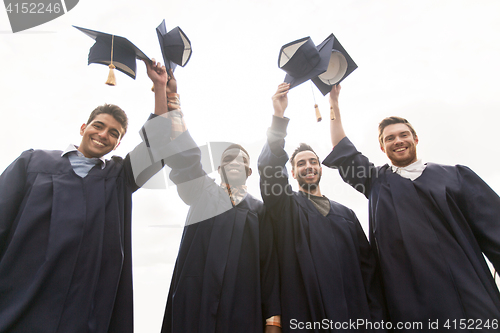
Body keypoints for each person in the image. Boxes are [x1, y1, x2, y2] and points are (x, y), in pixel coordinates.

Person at [0, 59, 176, 333]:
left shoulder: (118, 177)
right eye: (98, 126)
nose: (103, 134)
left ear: (118, 144)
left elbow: (157, 146)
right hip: (23, 293)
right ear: (84, 128)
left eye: (113, 134)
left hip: (84, 305)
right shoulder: (34, 162)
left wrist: (160, 87)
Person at [323, 84, 500, 331]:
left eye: (403, 134)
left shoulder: (455, 177)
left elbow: (495, 229)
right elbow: (342, 150)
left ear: (415, 139)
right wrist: (334, 103)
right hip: (409, 303)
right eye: (390, 138)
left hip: (466, 292)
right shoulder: (375, 182)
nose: (398, 141)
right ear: (383, 148)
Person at [258, 82, 386, 333]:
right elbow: (271, 173)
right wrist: (278, 118)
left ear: (320, 168)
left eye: (313, 161)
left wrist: (376, 321)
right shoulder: (285, 207)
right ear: (292, 172)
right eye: (301, 163)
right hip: (306, 316)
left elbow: (368, 272)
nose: (308, 166)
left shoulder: (346, 216)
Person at [158, 99, 281, 332]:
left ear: (249, 171)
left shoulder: (260, 211)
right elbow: (187, 161)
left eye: (241, 160)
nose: (234, 162)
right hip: (196, 300)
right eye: (227, 159)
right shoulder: (201, 191)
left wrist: (273, 320)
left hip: (242, 307)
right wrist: (175, 110)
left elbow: (269, 268)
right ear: (219, 169)